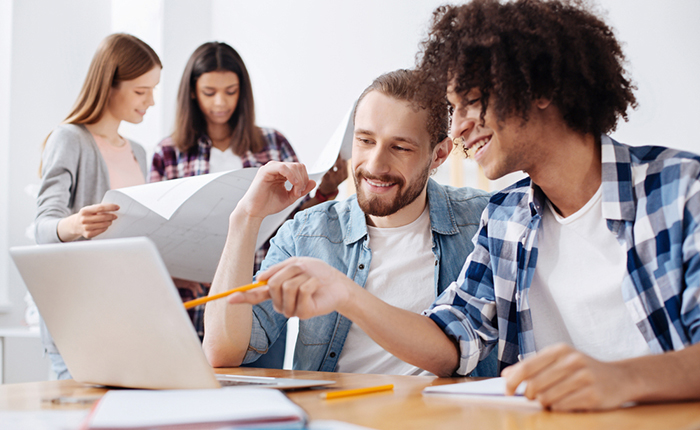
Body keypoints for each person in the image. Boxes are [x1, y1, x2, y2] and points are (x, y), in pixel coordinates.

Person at [227, 0, 700, 411]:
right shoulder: (508, 217)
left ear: (539, 89)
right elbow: (451, 341)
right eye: (454, 111)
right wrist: (346, 295)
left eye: (472, 102)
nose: (458, 130)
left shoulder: (679, 190)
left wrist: (620, 379)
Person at [203, 69, 497, 377]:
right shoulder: (308, 233)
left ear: (438, 155)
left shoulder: (483, 222)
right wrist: (245, 219)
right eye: (366, 141)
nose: (375, 165)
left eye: (400, 148)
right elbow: (222, 352)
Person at [150, 41, 346, 368]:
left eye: (230, 91)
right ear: (192, 92)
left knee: (258, 402)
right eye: (209, 92)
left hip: (258, 302)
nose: (220, 102)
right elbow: (154, 228)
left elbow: (297, 223)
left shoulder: (272, 144)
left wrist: (322, 192)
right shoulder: (167, 152)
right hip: (188, 301)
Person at [35, 33, 162, 379]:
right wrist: (76, 224)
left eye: (153, 90)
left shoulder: (138, 151)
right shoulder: (70, 139)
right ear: (110, 85)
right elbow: (42, 226)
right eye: (141, 91)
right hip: (79, 316)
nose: (150, 101)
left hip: (128, 311)